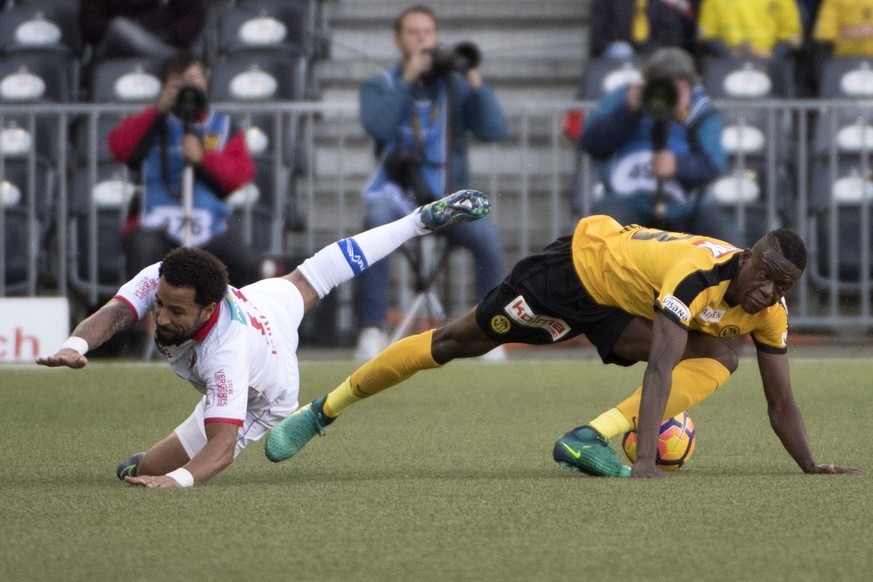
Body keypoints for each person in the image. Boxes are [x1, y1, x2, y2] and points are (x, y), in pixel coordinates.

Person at [265, 215, 861, 479]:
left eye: (782, 286)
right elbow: (658, 365)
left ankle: (589, 437)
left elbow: (781, 401)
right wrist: (646, 462)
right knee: (454, 341)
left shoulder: (770, 313)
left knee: (722, 356)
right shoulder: (697, 274)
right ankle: (323, 410)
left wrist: (810, 465)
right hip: (574, 271)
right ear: (748, 255)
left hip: (619, 304)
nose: (767, 290)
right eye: (763, 274)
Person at [35, 189, 492, 488]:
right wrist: (76, 345)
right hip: (264, 302)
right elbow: (116, 312)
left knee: (146, 472)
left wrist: (176, 481)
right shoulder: (163, 277)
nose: (162, 316)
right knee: (317, 273)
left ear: (209, 308)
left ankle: (310, 413)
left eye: (176, 311)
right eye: (161, 304)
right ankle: (418, 220)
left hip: (267, 386)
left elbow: (220, 449)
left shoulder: (225, 359)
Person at [354, 4, 509, 361]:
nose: (423, 40)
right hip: (396, 195)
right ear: (398, 40)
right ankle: (371, 330)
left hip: (446, 198)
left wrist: (472, 78)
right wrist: (408, 78)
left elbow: (494, 129)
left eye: (428, 33)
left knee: (486, 237)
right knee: (373, 222)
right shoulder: (380, 84)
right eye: (414, 33)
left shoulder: (454, 86)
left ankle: (490, 332)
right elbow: (377, 126)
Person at [109, 51, 260, 288]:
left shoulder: (223, 126)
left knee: (247, 264)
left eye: (194, 79)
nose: (188, 88)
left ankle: (240, 323)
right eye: (180, 82)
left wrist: (204, 158)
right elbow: (119, 147)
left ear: (205, 82)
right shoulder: (151, 122)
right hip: (157, 223)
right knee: (142, 249)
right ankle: (143, 323)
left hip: (210, 225)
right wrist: (157, 111)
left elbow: (240, 174)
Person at [580, 47, 743, 246]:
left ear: (689, 86)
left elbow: (714, 164)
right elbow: (591, 143)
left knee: (729, 243)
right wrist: (628, 110)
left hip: (685, 206)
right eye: (660, 81)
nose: (666, 90)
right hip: (626, 199)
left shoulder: (701, 110)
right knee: (602, 237)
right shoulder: (625, 97)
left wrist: (678, 166)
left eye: (676, 84)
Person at [79, 0, 206, 63]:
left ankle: (168, 57)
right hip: (114, 49)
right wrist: (134, 28)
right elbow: (90, 24)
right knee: (119, 26)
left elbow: (192, 18)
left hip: (163, 39)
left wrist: (168, 35)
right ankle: (175, 60)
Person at [589, 0, 698, 60]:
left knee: (663, 56)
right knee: (622, 51)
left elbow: (671, 36)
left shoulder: (663, 4)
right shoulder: (607, 3)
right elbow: (599, 36)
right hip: (618, 52)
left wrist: (648, 49)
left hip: (654, 51)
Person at [696, 0, 803, 60]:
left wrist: (773, 55)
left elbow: (792, 35)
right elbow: (707, 35)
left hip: (769, 66)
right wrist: (729, 54)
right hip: (726, 64)